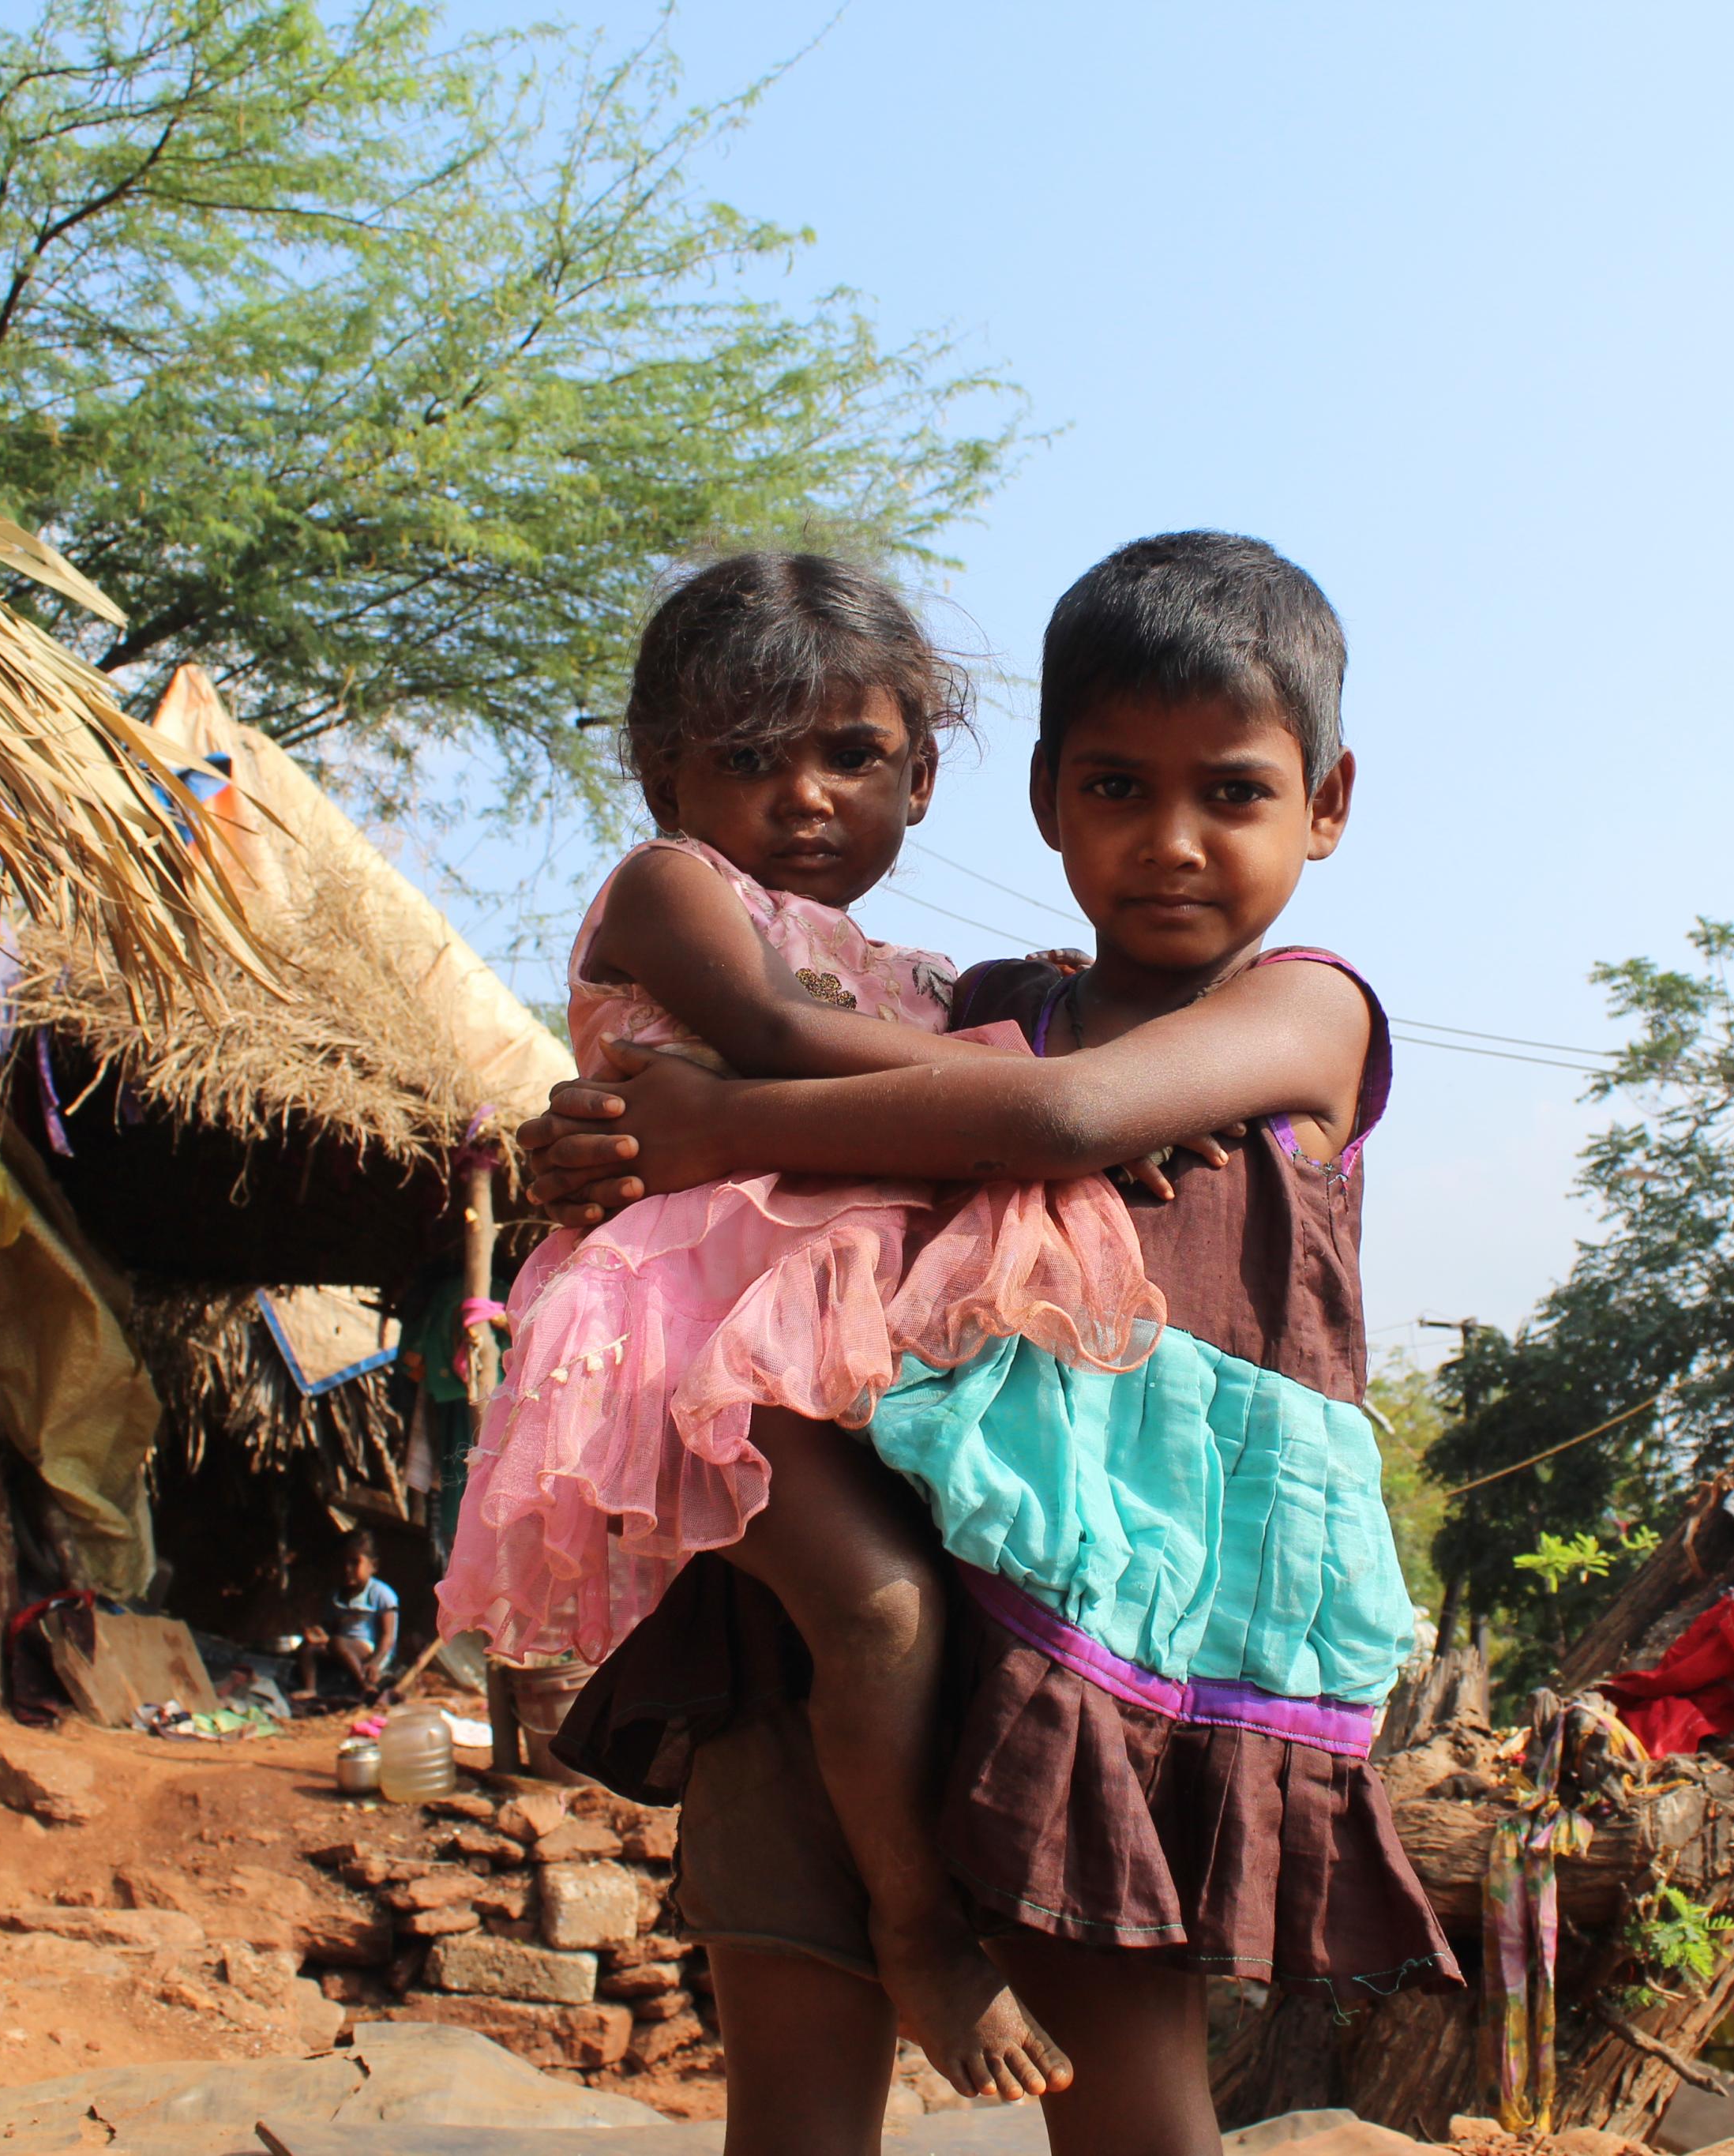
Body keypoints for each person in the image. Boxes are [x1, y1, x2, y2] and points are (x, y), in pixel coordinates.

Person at [524, 531, 1458, 2156]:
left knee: (1131, 2115)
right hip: (835, 1629)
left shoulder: (1306, 1011)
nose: (1170, 840)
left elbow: (1067, 1115)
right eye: (1115, 787)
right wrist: (593, 1147)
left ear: (1325, 803)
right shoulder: (969, 1013)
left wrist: (707, 1126)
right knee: (794, 2113)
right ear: (1043, 796)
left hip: (1104, 1660)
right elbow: (783, 1133)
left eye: (1233, 792)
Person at [437, 552, 1176, 2103]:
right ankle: (916, 1931)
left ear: (921, 775)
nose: (805, 797)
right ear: (663, 775)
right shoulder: (671, 892)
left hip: (812, 1341)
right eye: (749, 758)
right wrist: (1053, 1100)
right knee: (880, 1608)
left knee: (916, 1602)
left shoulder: (927, 986)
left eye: (852, 755)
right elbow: (772, 1033)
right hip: (695, 1325)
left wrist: (1042, 1066)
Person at [298, 1529, 398, 1700]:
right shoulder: (336, 1595)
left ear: (373, 1566)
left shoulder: (380, 1593)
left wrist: (375, 1662)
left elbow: (388, 1636)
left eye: (355, 1563)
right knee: (308, 1650)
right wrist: (318, 1634)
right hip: (339, 1646)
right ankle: (310, 1689)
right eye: (342, 1563)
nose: (347, 1569)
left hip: (369, 1649)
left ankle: (365, 1685)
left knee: (338, 1642)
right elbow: (330, 1627)